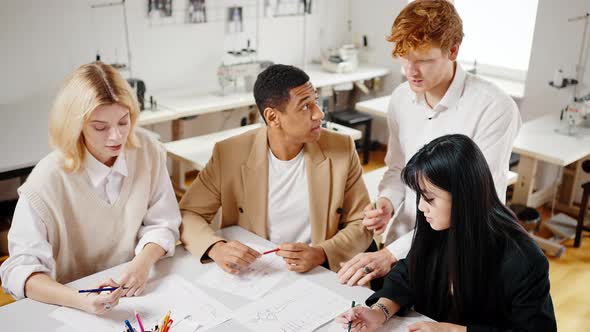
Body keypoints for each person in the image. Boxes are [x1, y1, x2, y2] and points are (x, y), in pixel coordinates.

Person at [338, 0, 521, 287]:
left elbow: (475, 204)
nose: (411, 71)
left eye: (423, 59)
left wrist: (390, 254)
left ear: (453, 50)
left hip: (453, 254)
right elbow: (397, 168)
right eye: (404, 58)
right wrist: (387, 201)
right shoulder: (401, 98)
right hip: (399, 245)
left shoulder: (494, 107)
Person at [0, 62, 181, 314]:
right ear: (76, 126)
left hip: (137, 296)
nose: (116, 137)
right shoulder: (47, 179)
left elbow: (163, 223)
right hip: (71, 306)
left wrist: (142, 263)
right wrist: (80, 300)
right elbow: (19, 271)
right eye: (100, 127)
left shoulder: (147, 150)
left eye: (123, 121)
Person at [336, 134, 556, 332]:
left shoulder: (524, 261)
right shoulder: (439, 229)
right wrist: (378, 312)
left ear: (464, 197)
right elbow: (407, 275)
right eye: (420, 196)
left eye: (430, 199)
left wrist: (454, 331)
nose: (422, 207)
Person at [179, 64, 373, 274]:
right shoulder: (229, 153)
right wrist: (215, 248)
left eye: (315, 102)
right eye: (305, 106)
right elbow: (189, 213)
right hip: (256, 272)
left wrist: (321, 252)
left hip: (319, 273)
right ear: (272, 117)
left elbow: (361, 223)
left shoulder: (341, 148)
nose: (319, 114)